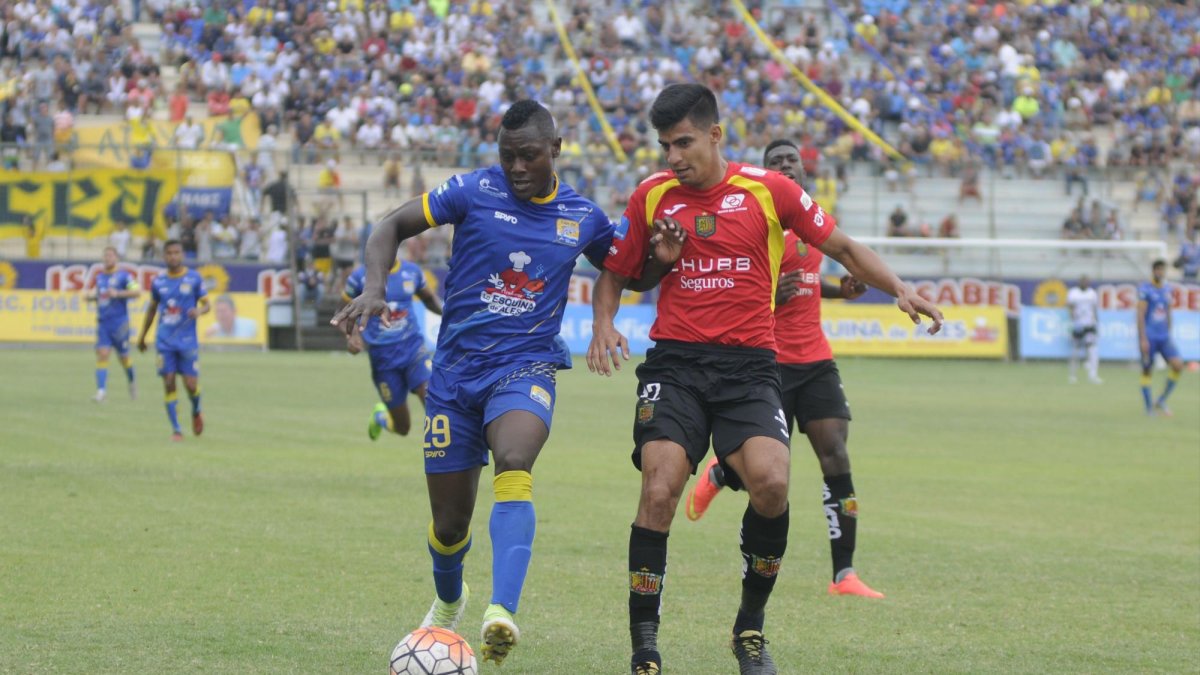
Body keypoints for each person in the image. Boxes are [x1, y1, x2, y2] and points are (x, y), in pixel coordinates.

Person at [587, 84, 943, 675]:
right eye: (664, 145)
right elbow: (616, 273)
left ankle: (749, 631)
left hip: (750, 367)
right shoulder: (652, 196)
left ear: (715, 135)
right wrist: (604, 322)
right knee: (659, 489)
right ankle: (644, 648)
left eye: (683, 142)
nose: (673, 157)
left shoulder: (768, 191)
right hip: (675, 365)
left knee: (773, 485)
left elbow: (845, 247)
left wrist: (899, 287)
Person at [331, 101, 616, 667]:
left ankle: (500, 611)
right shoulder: (471, 191)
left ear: (555, 150)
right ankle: (448, 599)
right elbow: (390, 224)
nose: (516, 167)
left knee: (514, 458)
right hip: (455, 377)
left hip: (525, 366)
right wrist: (375, 287)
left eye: (528, 155)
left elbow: (627, 263)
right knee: (449, 522)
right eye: (507, 156)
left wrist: (638, 282)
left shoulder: (584, 217)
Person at [684, 139, 884, 602]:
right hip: (768, 364)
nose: (786, 167)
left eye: (791, 160)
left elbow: (808, 284)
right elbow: (736, 293)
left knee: (835, 453)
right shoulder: (755, 222)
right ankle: (720, 474)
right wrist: (776, 294)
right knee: (766, 471)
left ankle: (845, 574)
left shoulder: (813, 223)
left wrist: (843, 292)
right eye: (776, 163)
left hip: (815, 361)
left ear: (803, 167)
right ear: (765, 172)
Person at [342, 251, 443, 439]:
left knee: (432, 401)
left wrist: (450, 317)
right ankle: (380, 417)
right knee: (403, 427)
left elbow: (429, 299)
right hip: (383, 359)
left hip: (414, 349)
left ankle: (446, 456)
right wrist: (352, 336)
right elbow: (343, 310)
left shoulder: (412, 272)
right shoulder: (359, 278)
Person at [138, 240, 210, 441]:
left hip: (188, 341)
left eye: (176, 252)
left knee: (191, 385)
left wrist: (199, 311)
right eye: (169, 253)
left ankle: (196, 411)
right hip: (164, 341)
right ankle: (177, 430)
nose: (173, 256)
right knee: (169, 382)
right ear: (164, 256)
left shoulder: (194, 278)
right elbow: (152, 310)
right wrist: (142, 336)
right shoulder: (158, 282)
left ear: (182, 255)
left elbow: (207, 305)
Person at [86, 246, 140, 402]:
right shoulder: (100, 277)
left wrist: (118, 293)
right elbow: (100, 296)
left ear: (116, 258)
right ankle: (101, 392)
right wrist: (91, 297)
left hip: (120, 323)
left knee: (124, 358)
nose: (108, 258)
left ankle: (131, 381)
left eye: (110, 255)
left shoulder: (124, 276)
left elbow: (137, 292)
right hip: (104, 323)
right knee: (102, 355)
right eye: (106, 256)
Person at [1137, 260, 1184, 416]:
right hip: (1149, 337)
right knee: (1147, 370)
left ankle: (1161, 400)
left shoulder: (1167, 289)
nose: (1160, 272)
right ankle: (1149, 408)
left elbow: (1168, 311)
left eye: (1162, 270)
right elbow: (1140, 314)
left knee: (1178, 365)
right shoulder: (1145, 289)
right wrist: (1142, 339)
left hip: (1164, 336)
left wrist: (1169, 331)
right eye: (1158, 270)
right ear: (1153, 271)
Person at [1066, 275, 1102, 384]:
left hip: (1089, 324)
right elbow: (1070, 307)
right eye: (1083, 281)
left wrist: (1096, 321)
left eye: (1087, 281)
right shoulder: (1073, 293)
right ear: (1079, 282)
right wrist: (1073, 320)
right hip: (1078, 324)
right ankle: (1072, 375)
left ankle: (1093, 375)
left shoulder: (1092, 293)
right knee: (1075, 350)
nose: (1085, 283)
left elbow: (1094, 308)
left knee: (1092, 349)